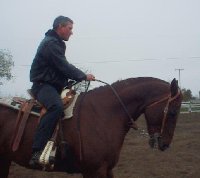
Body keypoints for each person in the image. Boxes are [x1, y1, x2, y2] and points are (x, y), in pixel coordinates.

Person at [29, 16, 95, 168]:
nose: (71, 32)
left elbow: (58, 69)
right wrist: (83, 76)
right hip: (42, 85)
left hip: (53, 85)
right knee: (56, 107)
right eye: (70, 28)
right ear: (60, 27)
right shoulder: (50, 43)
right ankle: (37, 151)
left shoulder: (55, 43)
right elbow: (62, 65)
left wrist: (68, 81)